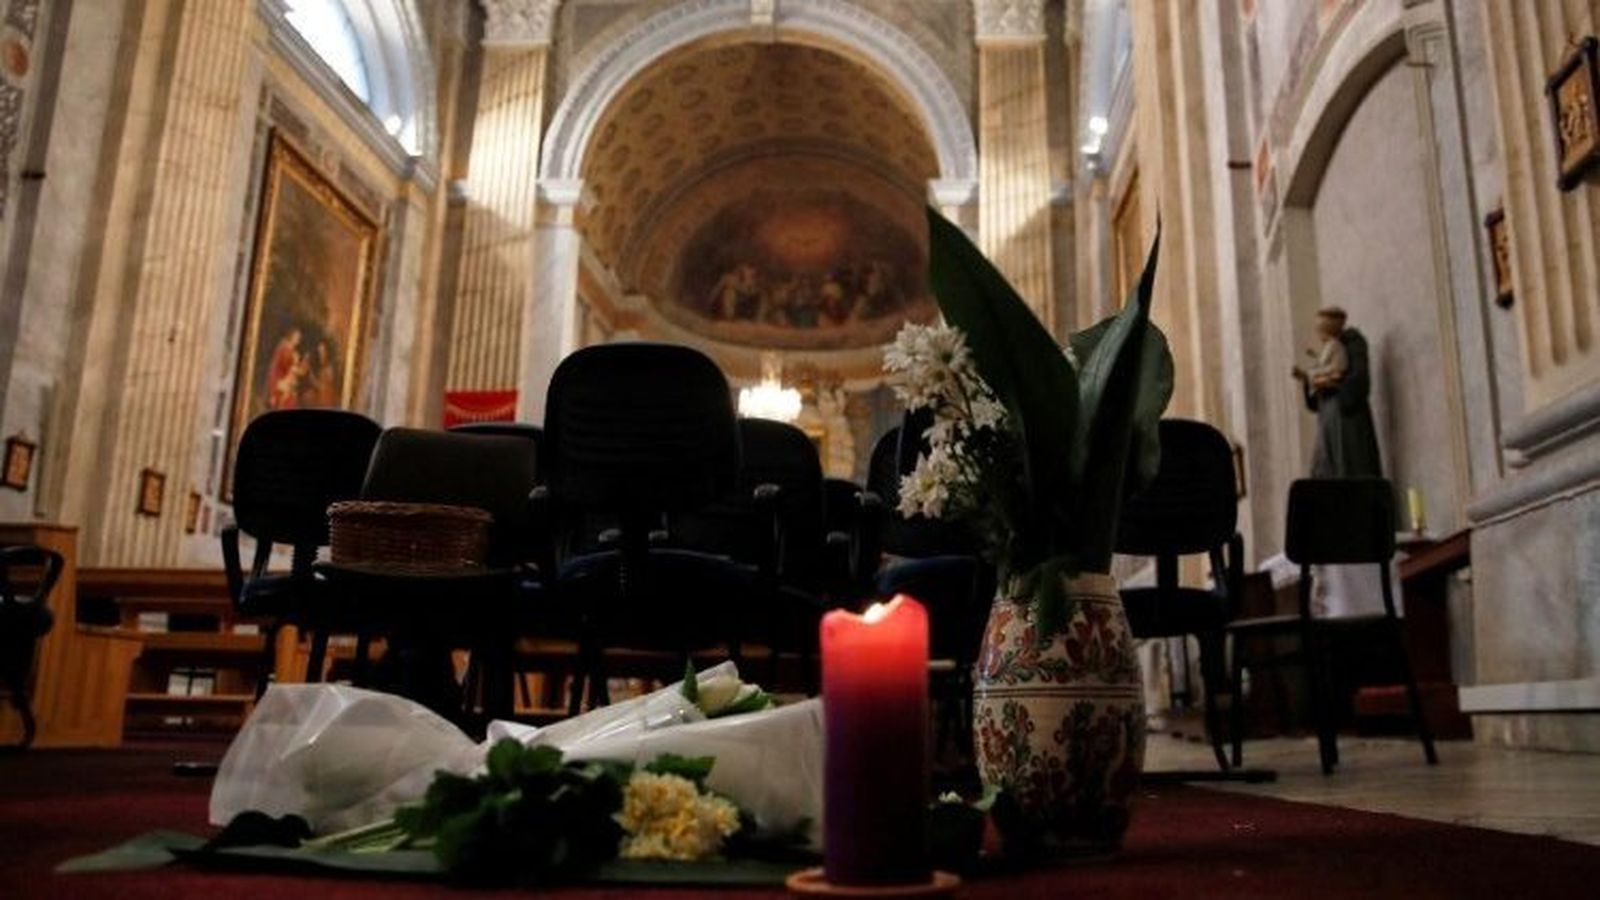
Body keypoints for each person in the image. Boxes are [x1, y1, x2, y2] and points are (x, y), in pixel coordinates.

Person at [1292, 307, 1381, 478]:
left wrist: (1329, 382)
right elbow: (1315, 397)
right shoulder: (1330, 348)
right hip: (1328, 418)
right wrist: (1310, 381)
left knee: (1348, 471)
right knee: (1323, 471)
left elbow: (1356, 383)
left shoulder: (1350, 344)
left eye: (1321, 328)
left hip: (1344, 419)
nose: (1318, 333)